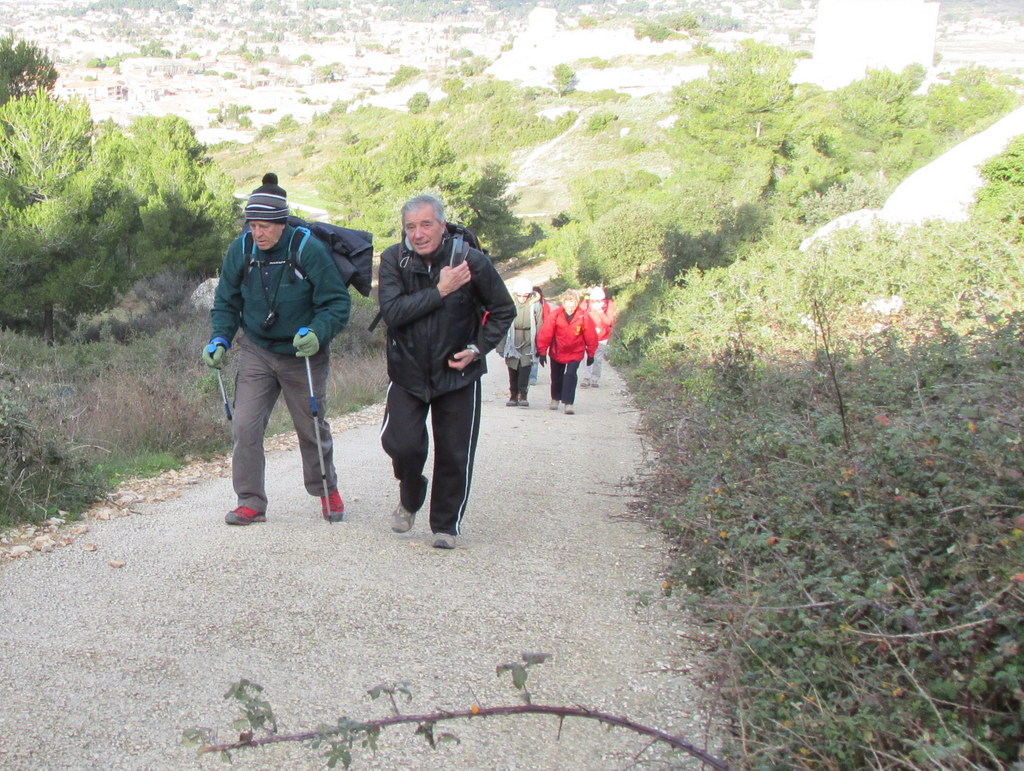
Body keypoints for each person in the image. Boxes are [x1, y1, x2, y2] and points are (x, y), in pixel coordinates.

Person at [202, 173, 351, 526]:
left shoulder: (307, 249)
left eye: (265, 226)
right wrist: (220, 338)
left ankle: (326, 489)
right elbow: (226, 301)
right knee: (245, 426)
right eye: (253, 225)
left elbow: (336, 303)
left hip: (303, 354)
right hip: (257, 349)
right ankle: (250, 501)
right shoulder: (241, 250)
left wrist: (317, 331)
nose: (258, 233)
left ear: (281, 224)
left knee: (311, 427)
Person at [377, 194, 515, 549]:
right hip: (407, 372)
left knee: (454, 452)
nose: (418, 234)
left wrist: (477, 349)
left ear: (442, 224)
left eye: (426, 224)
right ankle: (411, 492)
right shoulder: (394, 259)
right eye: (411, 226)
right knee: (400, 444)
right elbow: (393, 312)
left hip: (457, 374)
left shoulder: (471, 261)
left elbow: (503, 309)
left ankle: (445, 525)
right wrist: (440, 290)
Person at [536, 288, 598, 415]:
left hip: (575, 351)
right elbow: (546, 333)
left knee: (570, 375)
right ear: (563, 303)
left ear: (576, 303)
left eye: (572, 303)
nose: (570, 307)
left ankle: (568, 402)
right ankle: (555, 397)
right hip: (557, 350)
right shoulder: (555, 315)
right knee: (556, 376)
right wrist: (542, 351)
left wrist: (590, 353)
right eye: (567, 303)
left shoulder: (583, 316)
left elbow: (591, 336)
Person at [501, 278, 543, 407]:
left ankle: (523, 393)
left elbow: (540, 325)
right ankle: (513, 395)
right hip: (512, 337)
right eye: (519, 295)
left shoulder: (535, 305)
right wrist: (501, 346)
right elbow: (503, 324)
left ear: (529, 295)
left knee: (525, 367)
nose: (522, 298)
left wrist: (541, 346)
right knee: (512, 367)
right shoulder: (509, 304)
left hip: (529, 337)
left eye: (525, 295)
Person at [581, 286, 617, 388]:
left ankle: (595, 379)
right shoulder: (586, 304)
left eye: (599, 300)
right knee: (587, 356)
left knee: (598, 358)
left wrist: (600, 312)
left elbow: (609, 322)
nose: (596, 302)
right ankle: (586, 378)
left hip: (602, 336)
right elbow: (579, 316)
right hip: (587, 336)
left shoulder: (609, 305)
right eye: (594, 300)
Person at [528, 285, 551, 387]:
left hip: (540, 332)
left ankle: (533, 377)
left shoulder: (544, 305)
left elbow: (548, 319)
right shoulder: (527, 305)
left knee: (535, 357)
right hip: (529, 332)